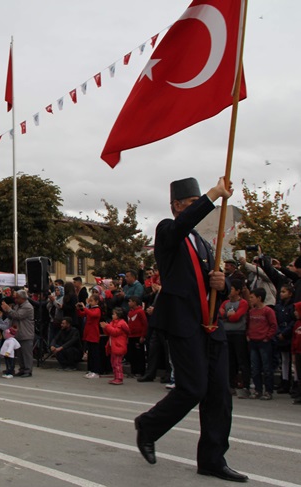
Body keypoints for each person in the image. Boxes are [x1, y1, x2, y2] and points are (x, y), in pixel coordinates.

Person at [133, 176, 249, 482]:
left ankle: (212, 458)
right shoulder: (168, 232)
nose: (198, 208)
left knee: (219, 396)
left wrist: (221, 286)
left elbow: (210, 286)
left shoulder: (204, 242)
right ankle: (148, 425)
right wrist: (212, 194)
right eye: (191, 204)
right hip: (183, 324)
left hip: (211, 324)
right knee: (193, 388)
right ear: (176, 206)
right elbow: (184, 223)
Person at [217, 279, 250, 398]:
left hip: (239, 333)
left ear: (238, 291)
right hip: (227, 333)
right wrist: (227, 315)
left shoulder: (243, 303)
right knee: (230, 360)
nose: (230, 291)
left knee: (242, 360)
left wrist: (228, 316)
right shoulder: (225, 302)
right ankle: (230, 384)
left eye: (232, 289)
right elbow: (220, 314)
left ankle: (246, 386)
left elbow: (237, 317)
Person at [247, 287, 277, 400]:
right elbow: (249, 324)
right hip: (253, 341)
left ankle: (268, 391)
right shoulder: (251, 311)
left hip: (264, 342)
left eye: (252, 297)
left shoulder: (268, 311)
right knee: (255, 368)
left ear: (259, 298)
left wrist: (267, 337)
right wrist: (248, 335)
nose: (250, 299)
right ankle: (258, 390)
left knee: (266, 367)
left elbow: (273, 325)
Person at [1, 290, 35, 378]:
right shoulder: (17, 306)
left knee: (26, 353)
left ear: (22, 298)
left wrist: (8, 309)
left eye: (17, 298)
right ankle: (22, 369)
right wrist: (6, 311)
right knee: (19, 353)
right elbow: (12, 315)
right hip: (18, 333)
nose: (15, 299)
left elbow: (18, 315)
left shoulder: (28, 307)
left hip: (26, 333)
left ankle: (28, 370)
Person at [100, 307, 129, 385]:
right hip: (113, 346)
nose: (112, 315)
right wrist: (104, 328)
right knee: (113, 362)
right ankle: (116, 377)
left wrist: (107, 326)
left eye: (114, 314)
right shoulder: (113, 322)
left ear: (118, 315)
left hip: (118, 346)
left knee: (117, 363)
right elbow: (108, 333)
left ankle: (119, 378)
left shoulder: (122, 323)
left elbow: (115, 332)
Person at [77, 294, 103, 378]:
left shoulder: (97, 309)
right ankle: (90, 370)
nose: (90, 302)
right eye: (90, 300)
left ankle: (96, 371)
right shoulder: (90, 309)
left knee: (95, 354)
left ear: (96, 301)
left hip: (94, 333)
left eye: (92, 301)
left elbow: (92, 315)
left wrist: (85, 307)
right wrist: (78, 309)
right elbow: (82, 314)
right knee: (90, 353)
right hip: (88, 333)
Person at [126, 296, 148, 377]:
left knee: (139, 354)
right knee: (132, 354)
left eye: (130, 301)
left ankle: (140, 371)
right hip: (131, 336)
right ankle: (133, 370)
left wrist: (142, 336)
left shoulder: (140, 312)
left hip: (138, 336)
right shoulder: (130, 312)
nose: (128, 303)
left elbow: (145, 324)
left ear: (135, 302)